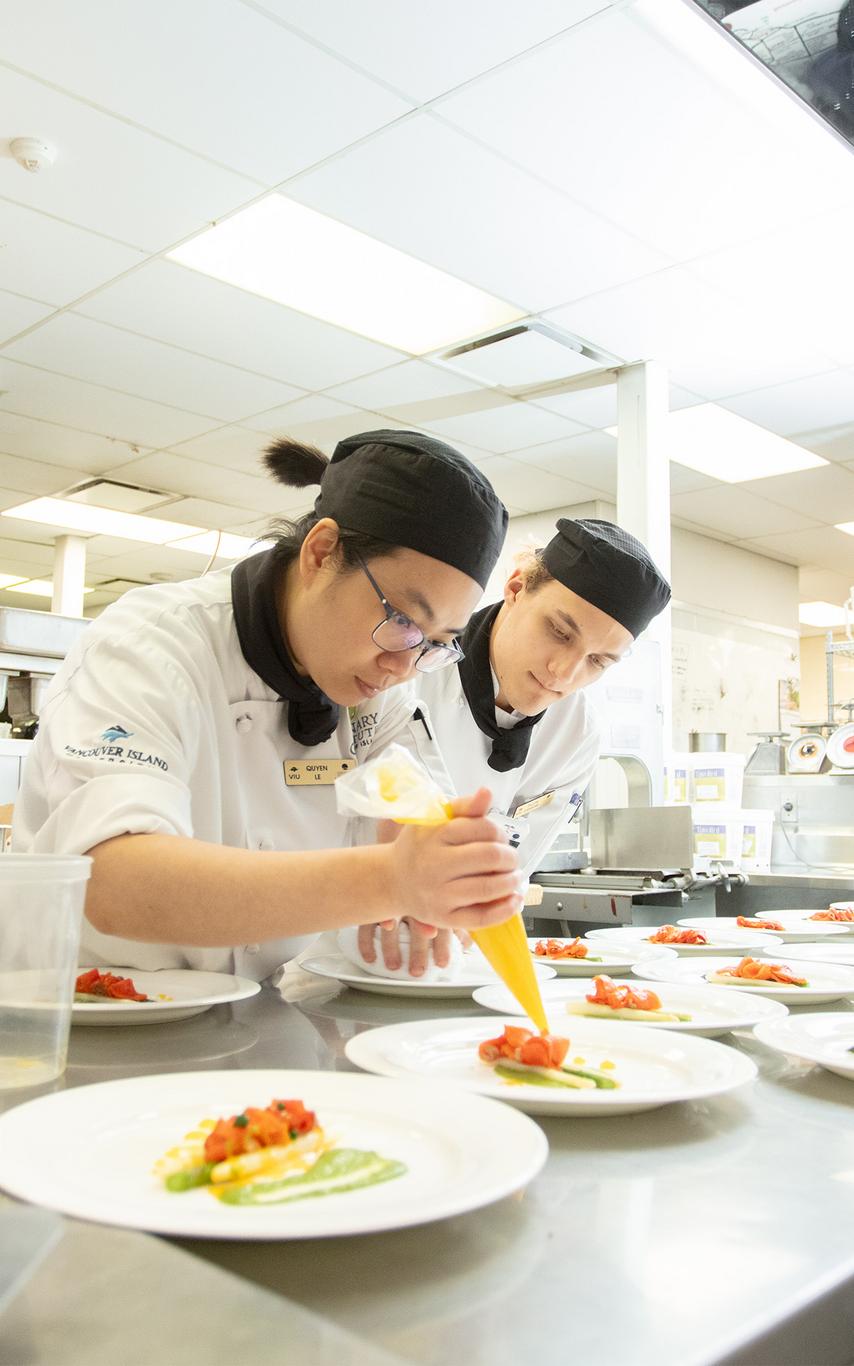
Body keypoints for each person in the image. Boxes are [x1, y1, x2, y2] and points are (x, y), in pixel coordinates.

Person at [14, 429, 525, 979]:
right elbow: (113, 882)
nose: (402, 666)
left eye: (435, 642)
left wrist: (444, 865)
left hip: (253, 1008)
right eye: (401, 619)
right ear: (321, 553)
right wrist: (388, 880)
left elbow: (411, 811)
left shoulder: (380, 693)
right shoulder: (151, 645)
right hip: (84, 1006)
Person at [359, 517, 671, 973]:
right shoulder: (407, 668)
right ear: (516, 587)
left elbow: (506, 876)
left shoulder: (576, 734)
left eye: (598, 661)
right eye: (560, 632)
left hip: (459, 962)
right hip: (345, 943)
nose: (565, 673)